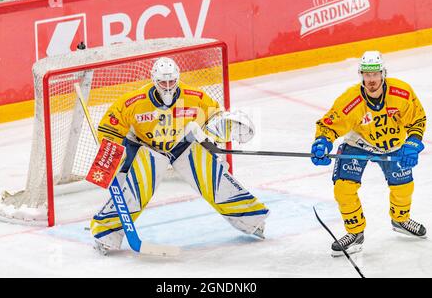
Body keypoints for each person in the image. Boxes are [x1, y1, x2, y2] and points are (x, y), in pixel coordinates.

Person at [90, 57, 269, 254]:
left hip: (181, 144)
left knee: (214, 178)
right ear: (154, 80)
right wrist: (112, 153)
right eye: (162, 82)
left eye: (171, 81)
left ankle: (252, 220)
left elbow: (214, 116)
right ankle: (105, 234)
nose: (167, 86)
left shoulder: (194, 96)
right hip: (147, 147)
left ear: (178, 79)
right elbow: (109, 127)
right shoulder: (134, 102)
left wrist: (225, 125)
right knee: (135, 191)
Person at [311, 51, 427, 256]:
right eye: (366, 74)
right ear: (361, 75)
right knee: (343, 188)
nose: (371, 79)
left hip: (393, 144)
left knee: (403, 186)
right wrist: (322, 142)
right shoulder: (350, 100)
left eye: (375, 74)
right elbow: (328, 125)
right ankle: (355, 233)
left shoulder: (401, 92)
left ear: (383, 73)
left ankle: (400, 219)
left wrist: (413, 142)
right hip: (360, 144)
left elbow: (417, 119)